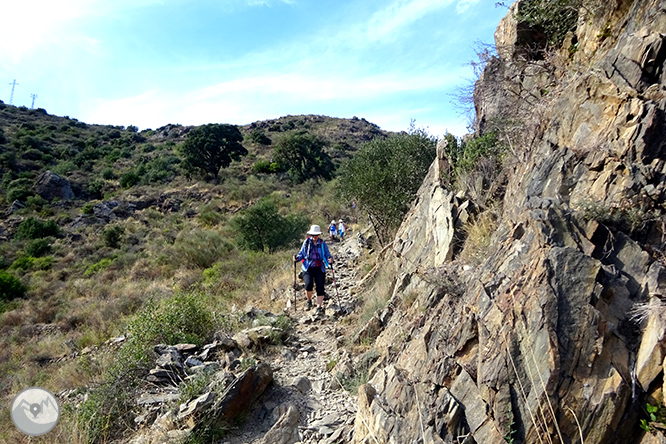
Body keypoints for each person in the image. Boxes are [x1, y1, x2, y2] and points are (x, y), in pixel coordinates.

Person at [294, 225, 334, 315]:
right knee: (308, 285)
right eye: (313, 235)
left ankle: (319, 307)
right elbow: (302, 254)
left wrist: (330, 259)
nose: (314, 236)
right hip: (308, 267)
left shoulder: (322, 244)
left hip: (319, 267)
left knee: (320, 287)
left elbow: (327, 254)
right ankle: (309, 301)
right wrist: (297, 258)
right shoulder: (307, 242)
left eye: (316, 235)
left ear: (319, 235)